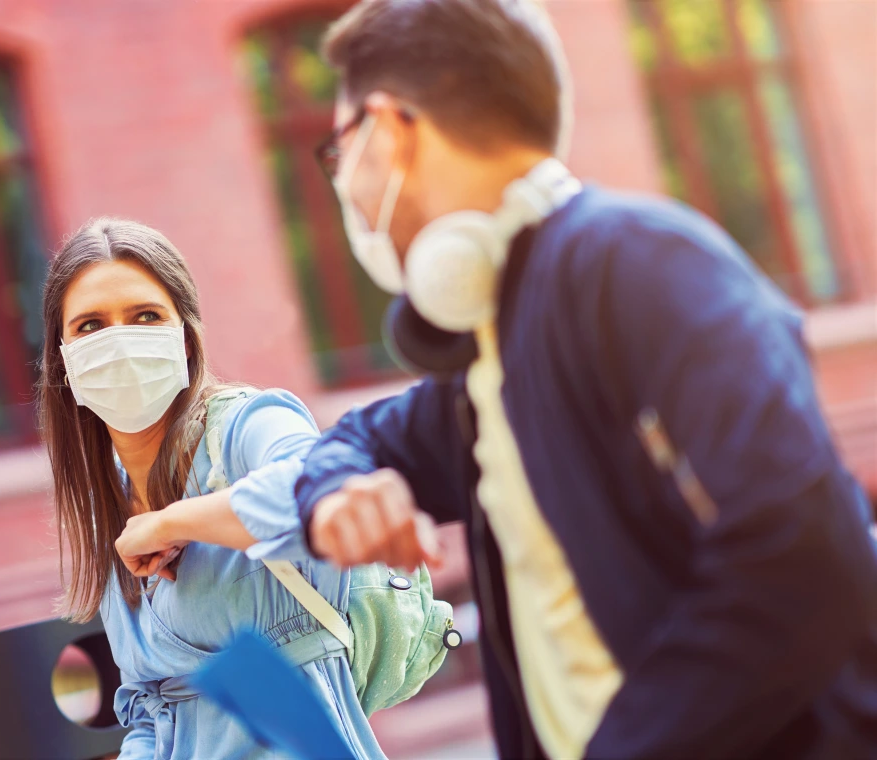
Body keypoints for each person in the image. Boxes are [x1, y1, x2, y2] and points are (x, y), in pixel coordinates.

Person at [291, 1, 877, 758]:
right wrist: (339, 487)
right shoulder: (496, 341)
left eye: (341, 150)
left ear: (388, 127)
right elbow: (352, 440)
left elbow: (803, 561)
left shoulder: (642, 260)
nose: (349, 187)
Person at [38, 218, 387, 760]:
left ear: (185, 334)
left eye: (145, 316)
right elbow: (150, 711)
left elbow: (319, 487)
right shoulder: (105, 499)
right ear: (62, 357)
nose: (119, 342)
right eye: (90, 326)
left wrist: (173, 521)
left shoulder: (248, 425)